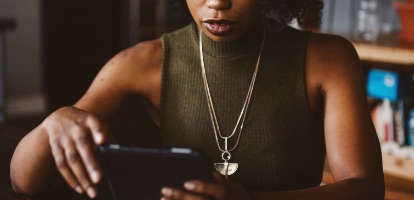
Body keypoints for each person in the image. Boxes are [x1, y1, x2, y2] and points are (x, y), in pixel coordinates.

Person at [10, 0, 385, 199]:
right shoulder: (140, 63)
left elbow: (365, 189)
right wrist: (55, 121)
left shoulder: (328, 58)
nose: (217, 3)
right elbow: (22, 182)